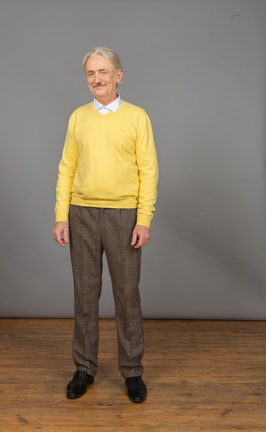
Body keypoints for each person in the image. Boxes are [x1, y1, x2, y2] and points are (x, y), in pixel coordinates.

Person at [53, 47, 158, 403]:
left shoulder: (137, 117)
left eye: (103, 72)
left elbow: (149, 171)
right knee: (84, 296)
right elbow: (67, 166)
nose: (96, 79)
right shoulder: (78, 117)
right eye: (90, 74)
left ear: (118, 75)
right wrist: (60, 214)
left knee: (127, 297)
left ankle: (132, 372)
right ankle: (84, 369)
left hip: (123, 216)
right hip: (81, 213)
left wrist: (143, 219)